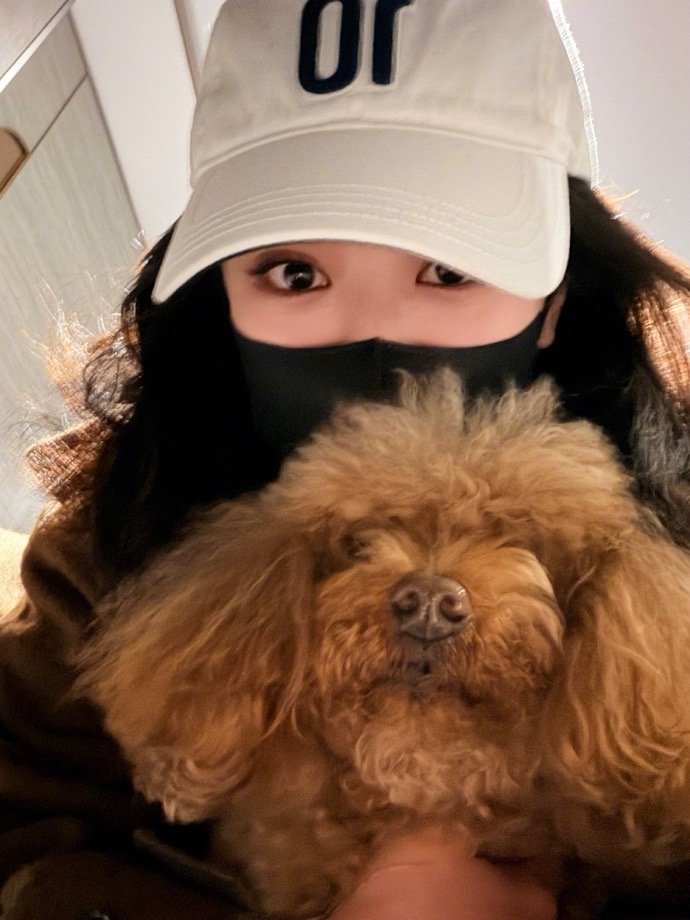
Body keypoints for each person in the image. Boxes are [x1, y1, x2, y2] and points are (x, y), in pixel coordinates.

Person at [1, 0, 689, 917]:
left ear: (556, 297)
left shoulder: (666, 526)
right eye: (295, 273)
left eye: (449, 269)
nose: (373, 334)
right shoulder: (108, 545)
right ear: (219, 290)